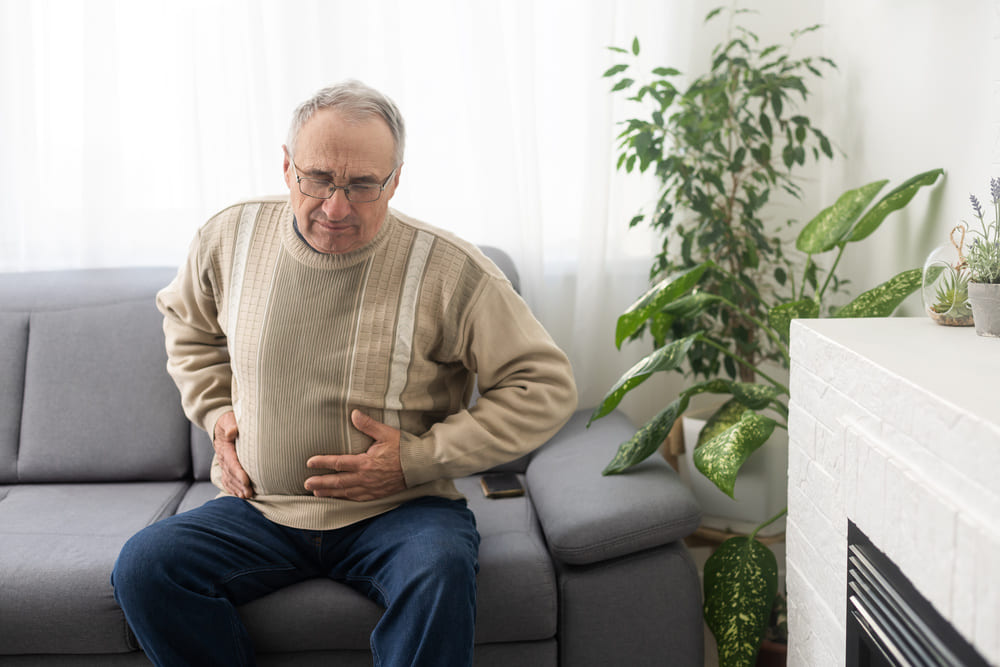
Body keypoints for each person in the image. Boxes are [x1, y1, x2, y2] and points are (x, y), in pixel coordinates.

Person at [111, 80, 578, 667]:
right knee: (146, 567)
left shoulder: (451, 269)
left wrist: (416, 458)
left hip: (402, 511)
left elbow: (545, 386)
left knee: (439, 571)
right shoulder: (229, 237)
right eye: (319, 179)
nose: (336, 206)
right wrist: (216, 412)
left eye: (362, 185)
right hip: (262, 508)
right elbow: (187, 323)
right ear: (287, 167)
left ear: (395, 179)